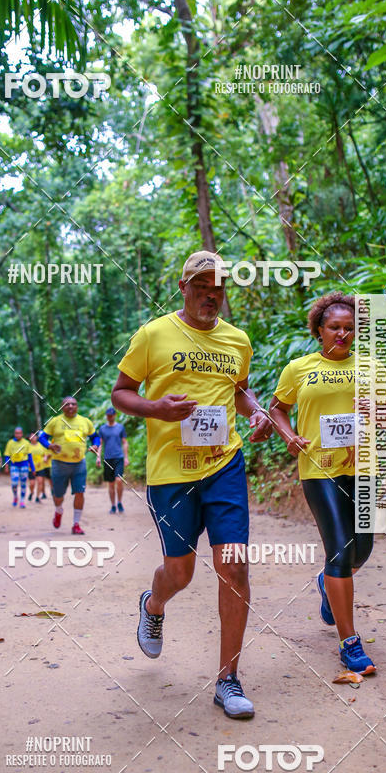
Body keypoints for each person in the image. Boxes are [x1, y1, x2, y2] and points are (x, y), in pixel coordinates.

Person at [111, 250, 273, 720]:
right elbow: (122, 393)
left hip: (224, 465)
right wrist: (157, 408)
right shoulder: (153, 334)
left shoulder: (237, 340)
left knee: (235, 568)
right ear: (183, 287)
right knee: (179, 573)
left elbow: (239, 392)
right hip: (172, 472)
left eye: (219, 286)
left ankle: (228, 679)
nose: (211, 293)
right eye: (202, 285)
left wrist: (258, 412)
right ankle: (154, 602)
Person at [269, 291, 386, 675]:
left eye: (348, 328)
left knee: (361, 549)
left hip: (364, 468)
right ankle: (350, 643)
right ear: (319, 331)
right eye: (334, 328)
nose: (342, 334)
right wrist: (289, 436)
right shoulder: (299, 368)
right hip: (319, 468)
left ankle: (327, 583)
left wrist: (377, 412)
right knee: (341, 553)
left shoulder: (373, 368)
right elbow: (278, 408)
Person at [38, 397, 100, 534]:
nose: (70, 406)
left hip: (79, 464)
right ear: (62, 407)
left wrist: (96, 444)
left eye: (73, 404)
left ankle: (76, 524)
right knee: (58, 495)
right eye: (67, 404)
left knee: (80, 492)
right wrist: (49, 445)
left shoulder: (85, 422)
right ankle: (59, 510)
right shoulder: (55, 422)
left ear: (77, 406)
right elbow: (41, 437)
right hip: (59, 465)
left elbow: (95, 436)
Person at [96, 407, 129, 513]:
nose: (110, 417)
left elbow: (124, 442)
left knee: (119, 480)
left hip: (118, 457)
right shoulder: (102, 429)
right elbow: (100, 444)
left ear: (115, 415)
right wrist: (98, 457)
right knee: (110, 484)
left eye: (112, 415)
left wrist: (126, 457)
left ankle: (119, 502)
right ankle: (113, 505)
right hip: (107, 458)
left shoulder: (120, 427)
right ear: (106, 416)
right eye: (108, 415)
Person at [3, 428, 34, 508]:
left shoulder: (26, 443)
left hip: (24, 465)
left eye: (19, 433)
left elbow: (30, 456)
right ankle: (15, 496)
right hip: (14, 465)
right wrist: (6, 465)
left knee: (23, 483)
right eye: (16, 433)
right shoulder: (10, 443)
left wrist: (33, 468)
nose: (18, 435)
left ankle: (22, 500)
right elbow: (7, 455)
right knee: (14, 484)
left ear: (22, 434)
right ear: (14, 434)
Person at [27, 433, 42, 502]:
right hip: (31, 468)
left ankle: (38, 497)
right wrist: (28, 463)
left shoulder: (41, 445)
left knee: (40, 482)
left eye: (34, 436)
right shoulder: (27, 446)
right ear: (29, 438)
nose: (33, 437)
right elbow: (25, 456)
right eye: (32, 436)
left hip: (40, 467)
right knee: (32, 483)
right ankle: (32, 492)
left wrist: (45, 458)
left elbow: (44, 454)